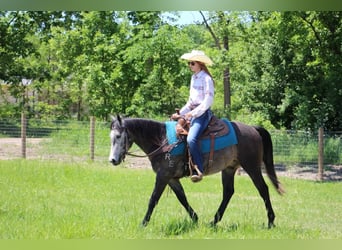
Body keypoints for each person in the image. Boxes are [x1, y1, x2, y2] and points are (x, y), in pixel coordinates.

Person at [171, 50, 215, 183]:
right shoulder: (193, 78)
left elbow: (208, 101)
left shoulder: (207, 79)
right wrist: (181, 114)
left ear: (200, 64)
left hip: (202, 114)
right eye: (189, 63)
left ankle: (198, 169)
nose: (190, 65)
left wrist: (193, 113)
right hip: (192, 112)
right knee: (173, 132)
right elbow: (190, 102)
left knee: (191, 139)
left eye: (192, 63)